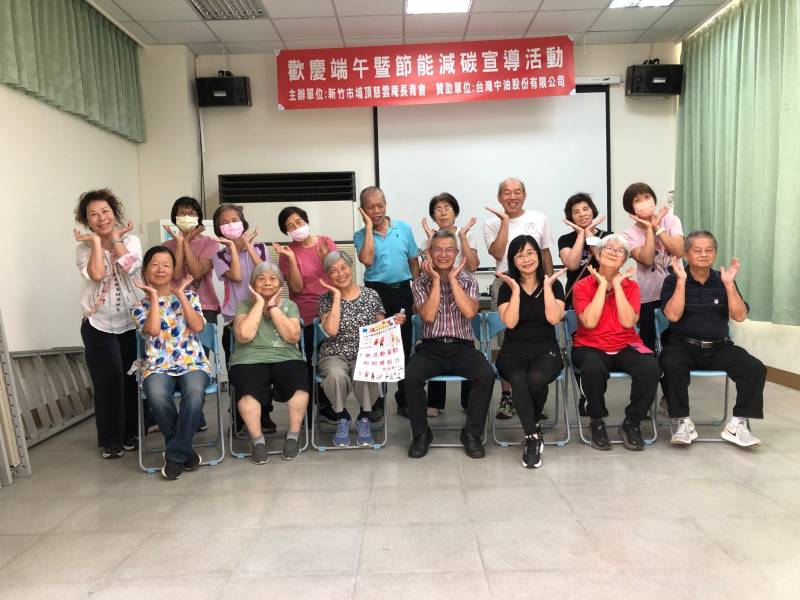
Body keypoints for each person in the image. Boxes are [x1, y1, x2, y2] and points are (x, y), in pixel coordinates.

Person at [659, 231, 765, 447]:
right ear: (686, 254)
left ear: (715, 254)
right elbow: (672, 315)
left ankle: (737, 424)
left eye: (709, 250)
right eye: (697, 250)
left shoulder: (723, 280)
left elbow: (740, 316)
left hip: (719, 347)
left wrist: (729, 286)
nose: (704, 255)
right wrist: (681, 282)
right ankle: (682, 422)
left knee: (754, 368)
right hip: (682, 345)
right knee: (669, 363)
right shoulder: (673, 279)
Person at [406, 230, 495, 459]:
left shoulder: (468, 280)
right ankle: (421, 434)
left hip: (463, 347)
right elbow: (427, 316)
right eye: (438, 249)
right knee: (411, 376)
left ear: (456, 253)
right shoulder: (420, 283)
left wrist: (454, 280)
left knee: (486, 374)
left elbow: (470, 312)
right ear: (429, 252)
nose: (443, 255)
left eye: (449, 250)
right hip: (430, 348)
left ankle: (472, 434)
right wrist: (436, 281)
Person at [570, 235, 661, 451]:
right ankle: (597, 421)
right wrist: (602, 285)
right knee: (592, 367)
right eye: (608, 248)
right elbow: (589, 322)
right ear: (598, 254)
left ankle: (632, 423)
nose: (613, 252)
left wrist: (618, 287)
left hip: (626, 345)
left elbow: (628, 322)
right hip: (590, 346)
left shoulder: (631, 287)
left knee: (651, 367)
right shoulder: (582, 286)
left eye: (619, 251)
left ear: (625, 260)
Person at [74, 189, 143, 459]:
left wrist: (115, 239)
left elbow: (129, 267)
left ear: (114, 212)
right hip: (97, 323)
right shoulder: (83, 248)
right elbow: (98, 274)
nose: (101, 218)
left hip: (131, 321)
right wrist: (95, 243)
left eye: (105, 211)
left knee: (130, 377)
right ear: (87, 220)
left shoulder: (131, 240)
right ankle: (111, 440)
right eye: (93, 214)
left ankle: (130, 433)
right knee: (108, 380)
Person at [131, 246, 211, 480]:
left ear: (173, 270)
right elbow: (153, 330)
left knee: (194, 392)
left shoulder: (190, 296)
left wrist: (181, 296)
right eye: (155, 265)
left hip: (192, 362)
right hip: (157, 365)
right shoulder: (138, 307)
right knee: (156, 394)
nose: (161, 269)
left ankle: (175, 454)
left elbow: (197, 327)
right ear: (145, 271)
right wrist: (154, 299)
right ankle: (186, 452)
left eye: (166, 265)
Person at [483, 177, 555, 422]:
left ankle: (532, 394)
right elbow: (497, 253)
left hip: (537, 283)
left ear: (524, 195)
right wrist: (505, 222)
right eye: (506, 192)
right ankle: (507, 396)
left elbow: (545, 253)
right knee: (507, 339)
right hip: (506, 284)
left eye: (517, 192)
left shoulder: (539, 218)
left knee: (538, 334)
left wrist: (549, 284)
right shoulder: (491, 223)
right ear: (499, 197)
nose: (512, 196)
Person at [317, 252, 405, 447]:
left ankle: (365, 417)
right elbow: (331, 331)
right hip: (334, 353)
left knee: (365, 372)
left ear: (351, 268)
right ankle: (342, 417)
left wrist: (394, 322)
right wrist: (337, 297)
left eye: (343, 268)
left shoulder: (371, 295)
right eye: (334, 271)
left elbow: (381, 328)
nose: (340, 274)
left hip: (366, 352)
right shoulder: (325, 299)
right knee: (335, 376)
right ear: (328, 276)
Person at [495, 235, 566, 468]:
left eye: (530, 253)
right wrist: (515, 291)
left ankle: (531, 426)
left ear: (538, 255)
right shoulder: (506, 288)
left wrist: (547, 288)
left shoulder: (554, 284)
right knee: (517, 378)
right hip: (512, 351)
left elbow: (554, 318)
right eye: (519, 255)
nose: (526, 259)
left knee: (536, 378)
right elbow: (510, 322)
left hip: (546, 349)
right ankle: (533, 436)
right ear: (512, 261)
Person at [228, 263, 309, 463]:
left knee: (299, 382)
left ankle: (293, 436)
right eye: (261, 279)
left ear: (280, 284)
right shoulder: (244, 306)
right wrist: (258, 303)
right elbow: (244, 335)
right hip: (248, 358)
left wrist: (272, 306)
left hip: (286, 356)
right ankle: (258, 441)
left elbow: (293, 337)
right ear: (253, 284)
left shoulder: (290, 306)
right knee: (247, 388)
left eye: (273, 279)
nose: (267, 283)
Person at [209, 202, 276, 433]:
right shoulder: (219, 255)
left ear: (243, 223)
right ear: (218, 229)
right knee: (238, 370)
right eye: (224, 222)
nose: (230, 225)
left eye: (234, 220)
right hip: (234, 319)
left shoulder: (260, 248)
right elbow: (236, 276)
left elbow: (266, 272)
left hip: (264, 317)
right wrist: (233, 249)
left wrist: (247, 245)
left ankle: (264, 414)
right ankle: (239, 417)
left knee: (265, 367)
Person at [354, 186, 420, 418]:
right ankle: (377, 401)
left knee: (403, 347)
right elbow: (367, 260)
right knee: (377, 347)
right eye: (370, 207)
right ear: (363, 210)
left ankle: (404, 399)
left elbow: (414, 261)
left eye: (380, 205)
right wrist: (369, 228)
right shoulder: (360, 235)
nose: (376, 211)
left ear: (386, 205)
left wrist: (416, 291)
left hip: (402, 292)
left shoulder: (404, 228)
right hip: (375, 294)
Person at [273, 206, 338, 426]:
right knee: (307, 362)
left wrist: (325, 258)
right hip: (304, 314)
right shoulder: (287, 253)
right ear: (286, 232)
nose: (296, 227)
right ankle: (307, 410)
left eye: (298, 222)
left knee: (329, 359)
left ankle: (328, 407)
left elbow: (338, 275)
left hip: (329, 311)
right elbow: (296, 288)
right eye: (290, 226)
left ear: (307, 221)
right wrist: (292, 260)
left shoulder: (326, 242)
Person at [420, 192, 478, 416]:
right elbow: (428, 267)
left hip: (462, 289)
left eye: (447, 207)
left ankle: (468, 402)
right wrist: (430, 240)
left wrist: (462, 237)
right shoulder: (428, 240)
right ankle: (435, 402)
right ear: (432, 214)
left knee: (462, 343)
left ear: (455, 212)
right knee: (436, 336)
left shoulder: (467, 235)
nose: (443, 212)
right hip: (437, 288)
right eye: (438, 208)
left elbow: (472, 266)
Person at [621, 182, 684, 352]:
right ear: (631, 209)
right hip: (649, 296)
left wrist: (658, 228)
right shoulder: (628, 234)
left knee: (676, 341)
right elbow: (647, 260)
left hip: (677, 290)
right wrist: (649, 228)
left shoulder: (671, 220)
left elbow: (679, 251)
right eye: (637, 200)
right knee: (648, 344)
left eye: (647, 197)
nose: (644, 202)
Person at [162, 196, 221, 324]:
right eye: (182, 213)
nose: (187, 217)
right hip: (173, 305)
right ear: (175, 218)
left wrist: (187, 244)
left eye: (191, 213)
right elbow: (176, 276)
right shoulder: (166, 247)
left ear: (198, 217)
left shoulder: (210, 243)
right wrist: (180, 245)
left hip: (204, 305)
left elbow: (197, 273)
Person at [557, 193, 611, 309]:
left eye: (585, 209)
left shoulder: (608, 237)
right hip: (576, 297)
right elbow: (572, 265)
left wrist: (589, 234)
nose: (582, 214)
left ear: (592, 211)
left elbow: (603, 260)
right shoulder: (565, 240)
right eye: (576, 212)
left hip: (604, 293)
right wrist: (581, 234)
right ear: (571, 217)